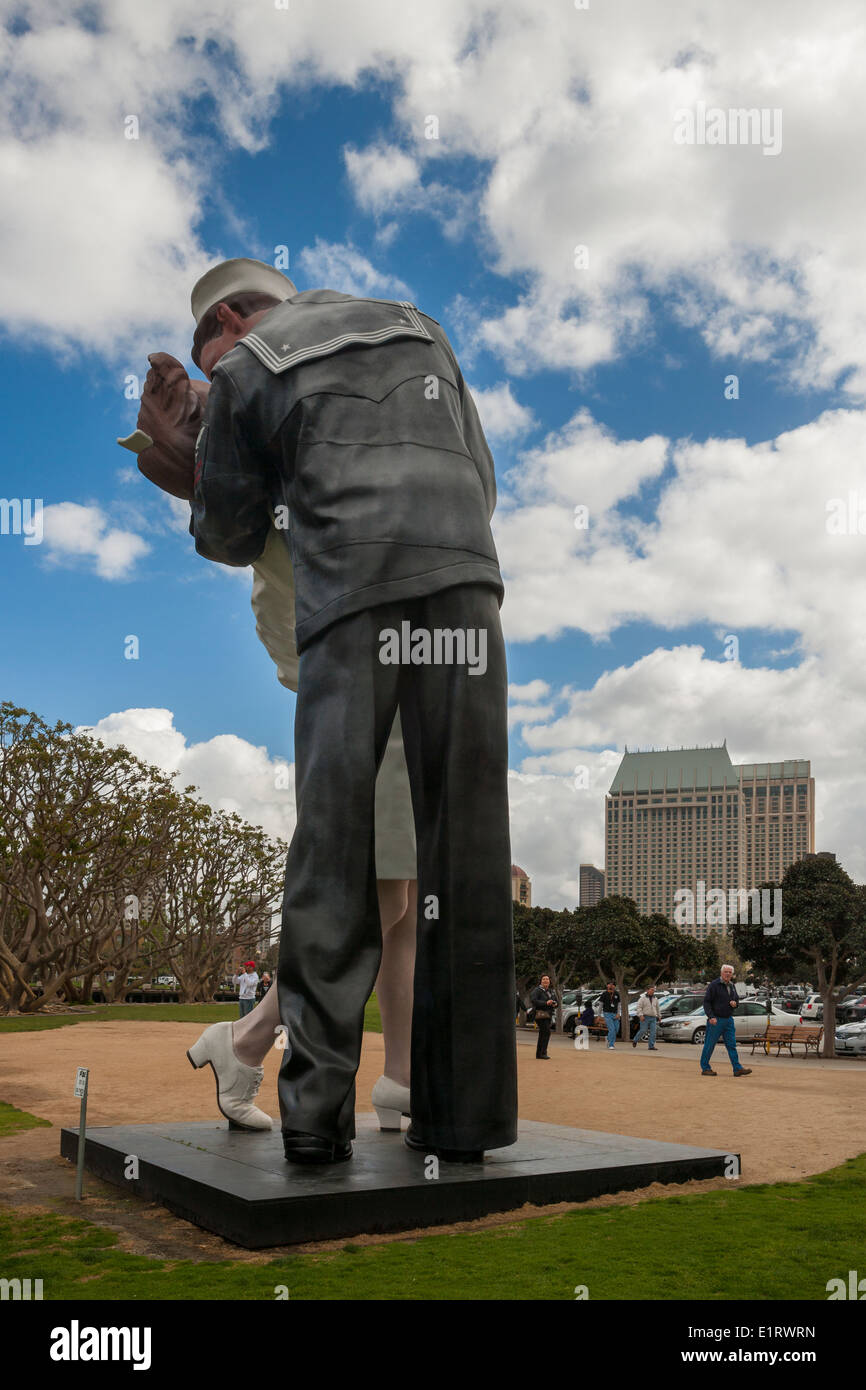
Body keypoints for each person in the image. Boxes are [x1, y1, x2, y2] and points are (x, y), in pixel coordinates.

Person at [143, 258, 518, 1166]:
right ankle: (467, 1121)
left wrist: (190, 458)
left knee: (335, 853)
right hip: (466, 581)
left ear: (229, 318)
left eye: (209, 348)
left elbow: (231, 535)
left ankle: (314, 1119)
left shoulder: (246, 366)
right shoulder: (418, 320)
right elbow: (484, 476)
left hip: (353, 601)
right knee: (465, 854)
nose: (210, 366)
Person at [700, 964, 752, 1077]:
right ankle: (705, 1068)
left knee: (732, 1045)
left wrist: (735, 1003)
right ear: (721, 973)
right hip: (716, 1020)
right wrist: (711, 1016)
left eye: (730, 972)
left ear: (732, 974)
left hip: (728, 1020)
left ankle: (737, 1068)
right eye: (726, 972)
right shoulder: (714, 985)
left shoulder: (732, 986)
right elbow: (706, 1002)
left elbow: (736, 1000)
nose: (728, 974)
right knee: (710, 1044)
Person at [529, 975, 557, 1059]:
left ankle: (540, 1053)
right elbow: (534, 1000)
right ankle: (542, 1053)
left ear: (549, 981)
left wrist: (555, 1003)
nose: (546, 980)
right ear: (541, 981)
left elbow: (556, 1001)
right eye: (544, 979)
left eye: (547, 979)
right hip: (540, 1014)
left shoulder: (551, 991)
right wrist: (546, 1003)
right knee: (546, 1032)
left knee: (544, 1033)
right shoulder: (537, 990)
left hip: (548, 1014)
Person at [632, 985, 660, 1050]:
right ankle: (635, 1040)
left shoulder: (655, 998)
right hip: (645, 1017)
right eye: (651, 989)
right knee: (643, 1030)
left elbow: (658, 1008)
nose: (653, 991)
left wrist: (659, 1016)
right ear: (647, 990)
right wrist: (641, 1015)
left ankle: (651, 1046)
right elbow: (639, 1007)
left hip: (653, 1017)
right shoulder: (642, 998)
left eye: (653, 990)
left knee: (653, 1032)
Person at [600, 981, 621, 1049]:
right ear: (607, 986)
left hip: (615, 1014)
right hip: (607, 1013)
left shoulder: (617, 994)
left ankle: (608, 1038)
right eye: (609, 984)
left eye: (612, 985)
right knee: (612, 1029)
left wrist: (618, 1013)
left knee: (616, 1029)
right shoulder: (604, 994)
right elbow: (600, 1005)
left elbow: (619, 1005)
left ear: (614, 986)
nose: (611, 986)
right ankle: (611, 1045)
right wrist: (599, 1015)